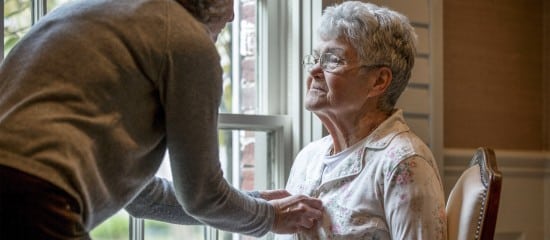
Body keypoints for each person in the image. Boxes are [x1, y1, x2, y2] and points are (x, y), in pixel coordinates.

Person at [0, 0, 323, 238]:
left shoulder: (83, 13)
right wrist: (269, 218)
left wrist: (252, 202)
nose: (234, 14)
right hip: (34, 197)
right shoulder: (184, 39)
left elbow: (143, 199)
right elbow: (204, 196)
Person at [275, 1, 447, 239]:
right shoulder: (308, 158)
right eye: (315, 58)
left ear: (378, 82)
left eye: (333, 60)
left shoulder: (404, 162)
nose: (315, 70)